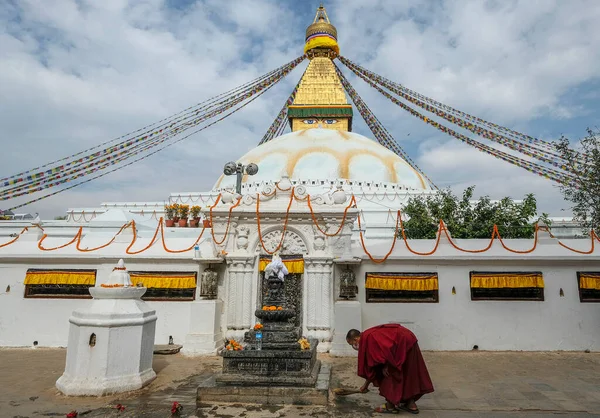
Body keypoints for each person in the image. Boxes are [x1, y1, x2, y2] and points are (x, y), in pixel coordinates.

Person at [346, 324, 434, 414]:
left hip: (403, 342)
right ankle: (411, 405)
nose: (354, 347)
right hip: (408, 340)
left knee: (390, 374)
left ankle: (390, 406)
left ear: (356, 339)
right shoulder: (368, 336)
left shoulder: (370, 338)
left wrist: (388, 365)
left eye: (352, 344)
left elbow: (386, 349)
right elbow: (373, 367)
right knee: (407, 373)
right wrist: (365, 385)